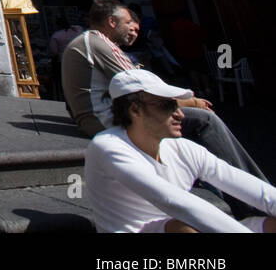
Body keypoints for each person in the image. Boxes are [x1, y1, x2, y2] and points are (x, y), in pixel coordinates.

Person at [62, 0, 267, 186]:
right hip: (103, 119)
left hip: (100, 116)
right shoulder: (97, 43)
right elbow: (139, 87)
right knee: (204, 120)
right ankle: (252, 188)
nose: (133, 33)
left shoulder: (92, 41)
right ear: (112, 22)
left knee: (182, 123)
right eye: (128, 24)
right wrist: (191, 103)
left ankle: (213, 181)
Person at [84, 69, 276, 233]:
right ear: (135, 110)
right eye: (168, 106)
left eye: (176, 105)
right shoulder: (108, 146)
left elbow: (260, 192)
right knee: (181, 228)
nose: (180, 114)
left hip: (186, 226)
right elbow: (176, 202)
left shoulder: (183, 148)